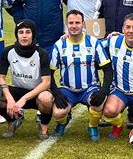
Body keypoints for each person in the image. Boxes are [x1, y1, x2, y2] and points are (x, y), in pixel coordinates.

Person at [48, 10, 113, 140]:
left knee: (98, 103)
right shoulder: (59, 45)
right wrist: (56, 93)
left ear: (83, 24)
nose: (74, 26)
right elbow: (49, 72)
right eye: (71, 23)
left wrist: (104, 91)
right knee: (57, 112)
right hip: (67, 89)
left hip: (90, 88)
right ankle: (62, 122)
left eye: (77, 23)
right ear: (66, 24)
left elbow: (107, 69)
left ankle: (92, 126)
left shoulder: (94, 43)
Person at [0, 20, 55, 140]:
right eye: (21, 32)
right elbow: (0, 77)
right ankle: (12, 121)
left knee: (46, 98)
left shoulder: (41, 53)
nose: (24, 35)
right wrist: (9, 98)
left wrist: (24, 98)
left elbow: (46, 82)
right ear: (16, 34)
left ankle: (43, 126)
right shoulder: (8, 51)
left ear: (32, 35)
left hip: (37, 93)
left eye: (28, 32)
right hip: (18, 91)